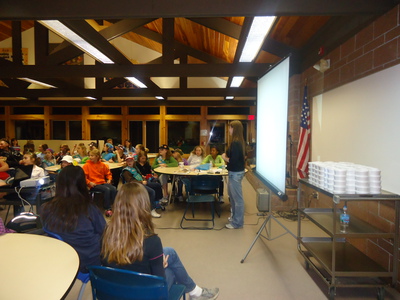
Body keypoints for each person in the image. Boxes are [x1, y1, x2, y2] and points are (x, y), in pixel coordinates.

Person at [101, 183, 219, 300]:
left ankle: (195, 292)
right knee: (172, 272)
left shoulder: (107, 232)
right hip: (143, 295)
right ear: (144, 206)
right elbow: (159, 284)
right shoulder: (151, 241)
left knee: (170, 252)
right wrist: (160, 266)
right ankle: (196, 293)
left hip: (113, 292)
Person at [41, 166, 106, 273]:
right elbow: (105, 233)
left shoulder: (46, 208)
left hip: (62, 259)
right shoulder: (89, 209)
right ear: (82, 184)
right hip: (89, 262)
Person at [222, 120, 246, 229]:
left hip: (235, 174)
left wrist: (224, 158)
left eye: (230, 128)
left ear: (234, 129)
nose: (229, 130)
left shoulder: (236, 143)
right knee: (232, 197)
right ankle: (235, 218)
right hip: (234, 173)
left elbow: (233, 160)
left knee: (237, 199)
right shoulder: (238, 142)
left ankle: (237, 223)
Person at [83, 149, 117, 217]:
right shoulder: (86, 165)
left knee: (113, 189)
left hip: (102, 182)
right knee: (107, 190)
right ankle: (107, 208)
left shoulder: (102, 165)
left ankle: (115, 206)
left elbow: (108, 173)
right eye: (89, 155)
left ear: (97, 156)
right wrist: (89, 182)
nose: (90, 157)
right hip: (93, 184)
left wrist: (109, 179)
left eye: (92, 156)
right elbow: (83, 177)